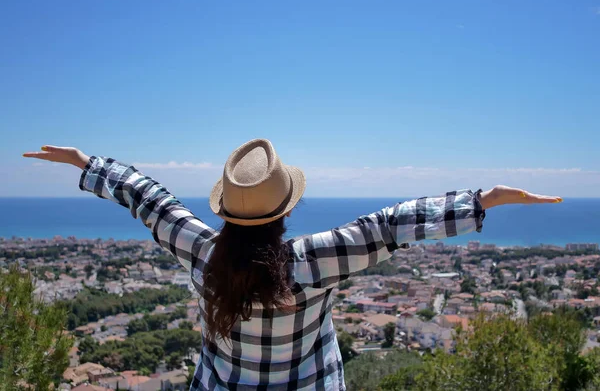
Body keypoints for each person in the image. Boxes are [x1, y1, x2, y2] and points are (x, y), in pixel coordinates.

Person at [23, 139, 562, 390]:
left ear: (227, 210)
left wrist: (87, 164)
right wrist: (484, 200)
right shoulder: (314, 261)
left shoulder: (201, 251)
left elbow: (151, 201)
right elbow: (390, 225)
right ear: (284, 211)